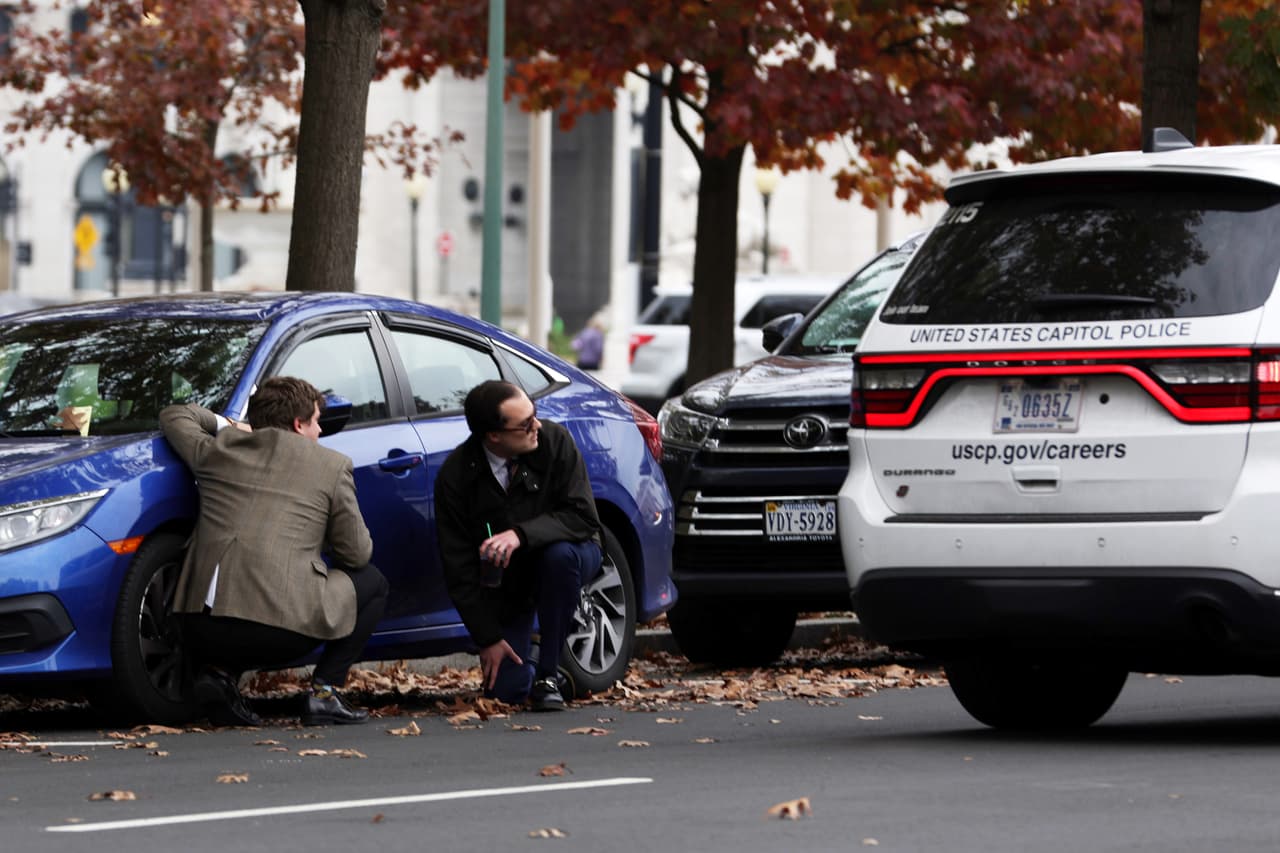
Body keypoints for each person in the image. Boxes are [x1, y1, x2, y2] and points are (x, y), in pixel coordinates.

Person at [158, 376, 388, 727]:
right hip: (279, 633)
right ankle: (324, 693)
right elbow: (357, 554)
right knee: (373, 582)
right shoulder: (331, 465)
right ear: (298, 424)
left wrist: (229, 426)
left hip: (196, 627)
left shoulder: (221, 450)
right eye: (316, 422)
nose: (319, 431)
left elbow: (174, 415)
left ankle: (219, 674)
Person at [434, 380, 603, 711]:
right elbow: (458, 569)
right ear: (493, 436)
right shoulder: (456, 476)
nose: (536, 425)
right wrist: (488, 638)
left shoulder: (555, 441)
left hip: (570, 553)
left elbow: (583, 518)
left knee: (558, 558)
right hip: (508, 583)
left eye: (535, 414)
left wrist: (520, 535)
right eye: (525, 424)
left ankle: (548, 675)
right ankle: (534, 656)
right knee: (505, 692)